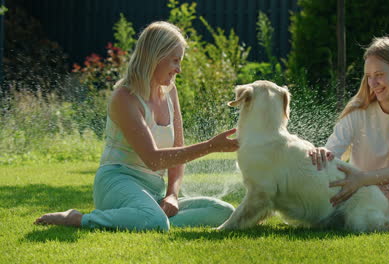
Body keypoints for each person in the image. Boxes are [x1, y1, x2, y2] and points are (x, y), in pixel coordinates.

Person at [34, 21, 238, 231]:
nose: (179, 69)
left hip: (154, 191)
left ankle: (150, 220)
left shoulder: (170, 91)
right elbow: (153, 159)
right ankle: (77, 219)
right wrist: (210, 146)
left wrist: (172, 195)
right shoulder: (125, 97)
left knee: (223, 211)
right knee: (156, 221)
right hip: (117, 182)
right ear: (156, 56)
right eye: (175, 61)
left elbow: (177, 150)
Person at [310, 37, 389, 222]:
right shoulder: (357, 111)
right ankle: (374, 217)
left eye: (379, 75)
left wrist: (362, 179)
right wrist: (323, 153)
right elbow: (332, 155)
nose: (372, 83)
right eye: (369, 76)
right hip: (357, 192)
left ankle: (380, 216)